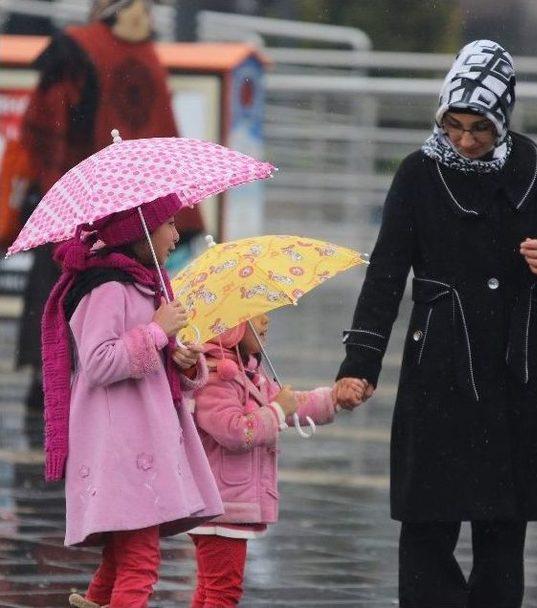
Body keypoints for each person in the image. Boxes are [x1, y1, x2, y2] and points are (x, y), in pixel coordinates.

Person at [334, 40, 537, 608]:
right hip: (439, 368)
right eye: (454, 125)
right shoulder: (418, 174)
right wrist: (359, 365)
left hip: (517, 368)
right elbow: (386, 275)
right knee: (427, 524)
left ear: (503, 119)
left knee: (503, 529)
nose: (465, 140)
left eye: (480, 128)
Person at [16, 0, 203, 428]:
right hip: (85, 208)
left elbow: (43, 128)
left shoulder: (140, 54)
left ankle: (62, 394)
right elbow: (49, 127)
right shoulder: (76, 51)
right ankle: (50, 394)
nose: (149, 14)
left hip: (126, 208)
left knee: (119, 310)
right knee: (74, 306)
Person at [39, 193, 222, 608]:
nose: (177, 234)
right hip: (120, 447)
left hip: (142, 442)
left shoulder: (145, 284)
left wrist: (183, 359)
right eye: (170, 224)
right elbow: (100, 361)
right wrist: (157, 332)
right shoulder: (106, 288)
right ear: (141, 229)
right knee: (140, 562)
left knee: (122, 559)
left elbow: (153, 366)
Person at [188, 313, 352, 607]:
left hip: (227, 503)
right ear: (230, 327)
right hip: (222, 504)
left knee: (210, 588)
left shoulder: (248, 371)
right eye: (254, 315)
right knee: (223, 592)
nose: (266, 321)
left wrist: (332, 400)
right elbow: (236, 432)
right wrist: (275, 411)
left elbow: (291, 404)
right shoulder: (215, 377)